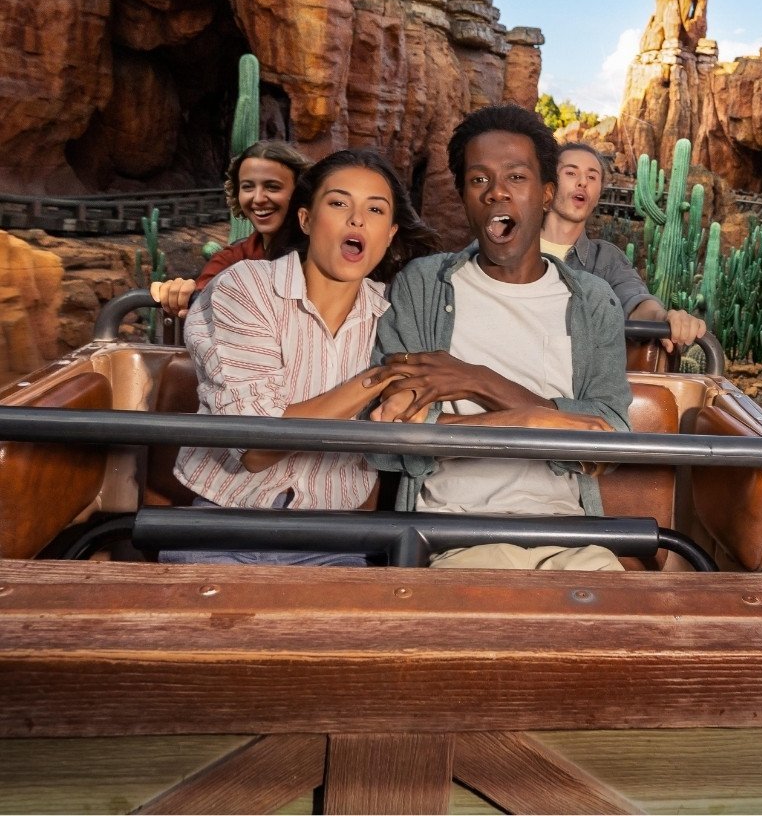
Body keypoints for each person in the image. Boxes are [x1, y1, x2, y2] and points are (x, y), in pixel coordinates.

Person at [365, 105, 633, 572]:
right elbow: (391, 437)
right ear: (465, 196)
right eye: (479, 180)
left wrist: (475, 381)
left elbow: (609, 439)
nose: (497, 193)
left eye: (516, 177)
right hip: (451, 535)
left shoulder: (592, 300)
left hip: (569, 534)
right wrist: (537, 423)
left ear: (547, 193)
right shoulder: (423, 285)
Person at [162, 149, 440, 566]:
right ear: (307, 220)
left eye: (375, 209)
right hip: (225, 526)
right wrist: (384, 375)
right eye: (339, 203)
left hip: (335, 540)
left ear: (389, 234)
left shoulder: (394, 314)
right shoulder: (246, 288)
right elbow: (257, 447)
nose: (357, 220)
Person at [539, 141, 706, 353]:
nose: (582, 182)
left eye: (592, 177)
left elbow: (636, 302)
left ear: (598, 193)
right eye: (571, 173)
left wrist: (664, 317)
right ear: (548, 186)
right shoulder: (511, 248)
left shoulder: (606, 259)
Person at [150, 140, 310, 318]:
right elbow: (201, 303)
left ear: (301, 192)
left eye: (272, 187)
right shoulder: (231, 259)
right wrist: (179, 293)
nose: (258, 198)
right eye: (248, 187)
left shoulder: (325, 255)